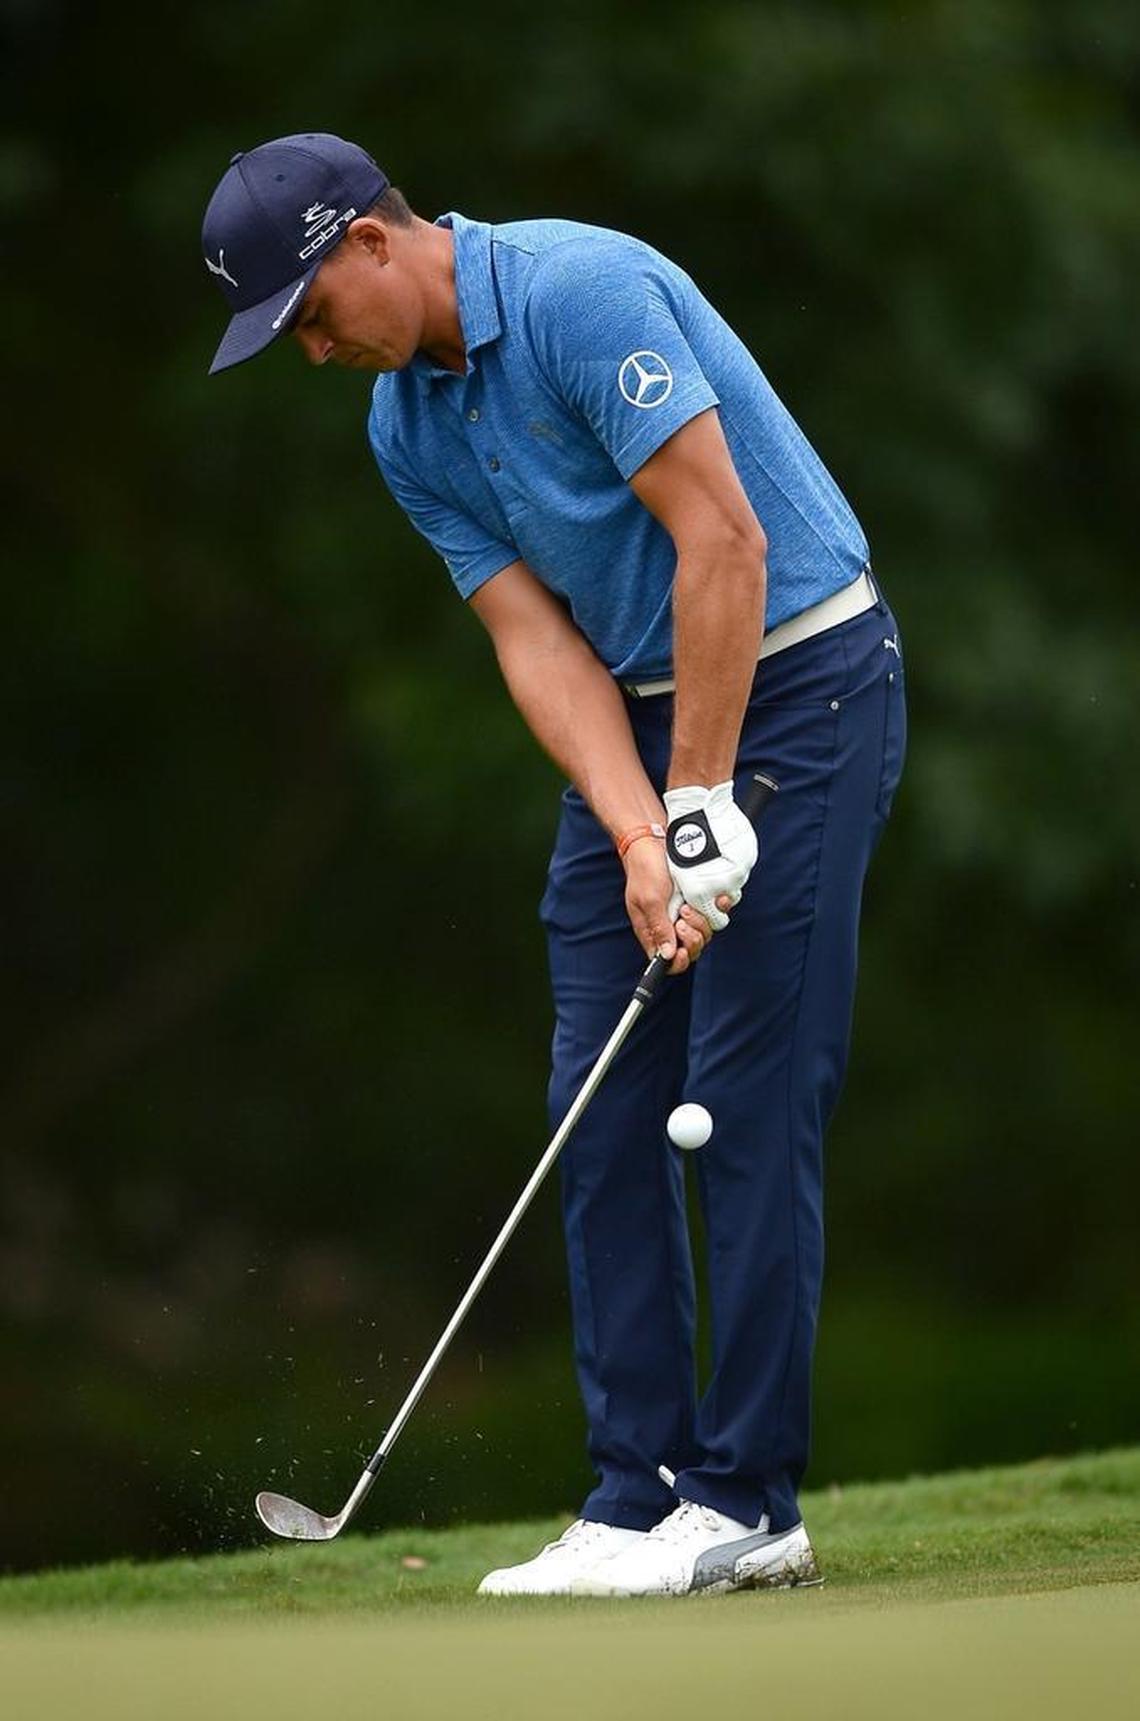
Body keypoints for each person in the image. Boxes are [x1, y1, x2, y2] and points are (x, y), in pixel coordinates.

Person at [202, 132, 906, 1598]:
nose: (315, 349)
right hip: (645, 718)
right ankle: (633, 1492)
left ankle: (748, 1496)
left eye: (311, 313)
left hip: (803, 677)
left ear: (373, 243)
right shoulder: (409, 427)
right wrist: (646, 827)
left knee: (751, 1089)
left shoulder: (579, 292)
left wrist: (702, 798)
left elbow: (725, 541)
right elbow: (537, 642)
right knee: (599, 1085)